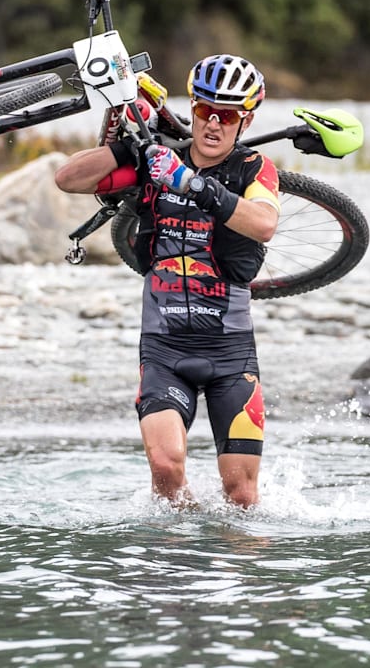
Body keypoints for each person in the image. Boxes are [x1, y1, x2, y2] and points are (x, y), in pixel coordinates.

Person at [54, 55, 280, 508]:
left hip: (230, 354)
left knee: (241, 495)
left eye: (228, 116)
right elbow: (68, 179)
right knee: (166, 466)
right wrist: (129, 150)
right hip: (165, 348)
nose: (214, 125)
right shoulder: (158, 160)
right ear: (192, 109)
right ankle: (174, 562)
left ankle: (233, 568)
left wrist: (192, 184)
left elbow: (263, 223)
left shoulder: (254, 169)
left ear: (246, 119)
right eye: (204, 112)